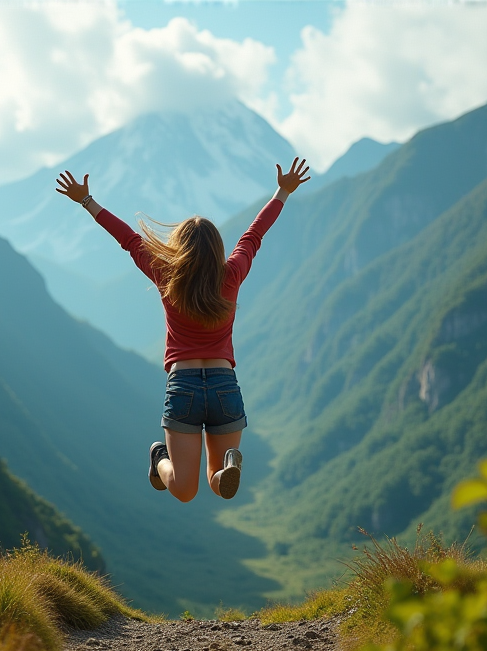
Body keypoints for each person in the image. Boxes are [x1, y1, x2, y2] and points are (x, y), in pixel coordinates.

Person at [56, 157, 310, 502]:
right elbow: (254, 235)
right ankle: (227, 468)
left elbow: (129, 239)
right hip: (224, 385)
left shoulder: (167, 277)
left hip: (184, 386)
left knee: (184, 489)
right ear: (216, 249)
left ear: (181, 248)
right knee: (217, 482)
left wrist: (87, 201)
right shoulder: (232, 274)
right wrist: (283, 191)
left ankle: (158, 457)